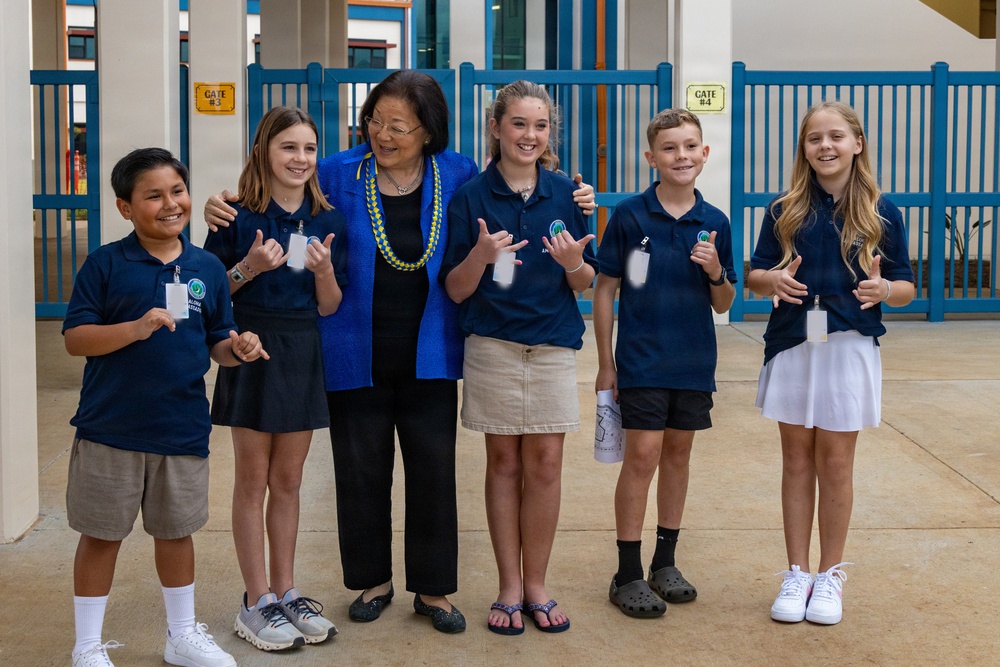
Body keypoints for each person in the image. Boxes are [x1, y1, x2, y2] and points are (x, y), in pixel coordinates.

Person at [204, 69, 595, 635]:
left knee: (433, 469)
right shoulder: (338, 171)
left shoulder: (456, 171)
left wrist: (575, 191)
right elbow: (283, 187)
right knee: (360, 468)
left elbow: (518, 180)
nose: (383, 135)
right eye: (376, 121)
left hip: (431, 345)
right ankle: (372, 582)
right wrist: (225, 201)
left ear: (428, 131)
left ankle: (433, 588)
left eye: (399, 126)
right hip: (352, 344)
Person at [64, 148, 267, 667]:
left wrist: (238, 348)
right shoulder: (105, 263)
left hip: (181, 427)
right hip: (110, 428)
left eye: (177, 191)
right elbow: (76, 338)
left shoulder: (207, 268)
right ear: (125, 207)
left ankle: (181, 636)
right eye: (153, 196)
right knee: (101, 536)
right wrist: (135, 328)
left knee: (176, 534)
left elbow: (218, 339)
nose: (170, 203)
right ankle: (87, 645)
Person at [747, 101, 914, 626]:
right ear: (804, 148)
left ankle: (829, 575)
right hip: (794, 343)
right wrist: (772, 280)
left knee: (836, 463)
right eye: (815, 137)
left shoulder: (882, 211)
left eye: (836, 136)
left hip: (848, 346)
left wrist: (885, 289)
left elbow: (906, 286)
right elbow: (755, 274)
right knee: (796, 460)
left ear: (857, 144)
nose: (825, 146)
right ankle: (797, 573)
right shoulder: (784, 209)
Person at [441, 80, 597, 636]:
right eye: (519, 124)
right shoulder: (471, 198)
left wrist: (573, 263)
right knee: (504, 464)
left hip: (552, 345)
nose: (530, 135)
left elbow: (584, 280)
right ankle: (509, 586)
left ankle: (537, 585)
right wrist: (482, 257)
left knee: (547, 464)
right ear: (496, 127)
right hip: (493, 347)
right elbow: (456, 289)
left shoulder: (568, 195)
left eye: (540, 126)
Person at [203, 106, 347, 651]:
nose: (300, 158)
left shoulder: (327, 220)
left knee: (288, 480)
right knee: (252, 479)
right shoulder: (234, 217)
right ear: (264, 150)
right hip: (251, 345)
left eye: (309, 148)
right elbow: (211, 294)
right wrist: (250, 267)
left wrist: (324, 271)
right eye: (289, 147)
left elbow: (330, 306)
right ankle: (255, 599)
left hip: (302, 348)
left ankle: (286, 592)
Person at [594, 108, 736, 619]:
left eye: (690, 146)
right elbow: (606, 289)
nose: (682, 156)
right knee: (643, 456)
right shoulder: (631, 216)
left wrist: (716, 271)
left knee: (678, 456)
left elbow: (723, 302)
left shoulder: (714, 222)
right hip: (642, 360)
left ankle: (665, 562)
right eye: (670, 148)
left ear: (705, 153)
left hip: (693, 361)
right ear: (651, 157)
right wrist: (606, 362)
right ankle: (627, 571)